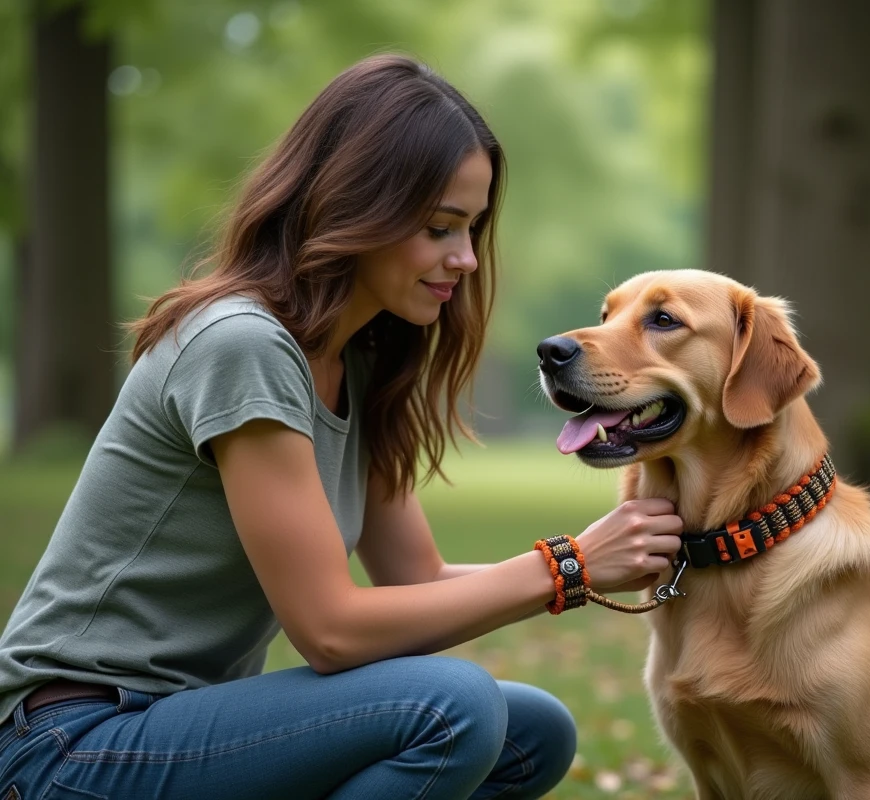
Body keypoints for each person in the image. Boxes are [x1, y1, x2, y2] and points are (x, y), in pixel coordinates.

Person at [0, 54, 683, 800]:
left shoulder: (359, 362)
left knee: (531, 732)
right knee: (452, 709)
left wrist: (600, 564)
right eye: (438, 228)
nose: (463, 259)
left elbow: (416, 581)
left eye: (472, 228)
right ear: (356, 207)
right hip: (68, 746)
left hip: (181, 725)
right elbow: (329, 631)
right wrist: (568, 565)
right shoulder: (242, 345)